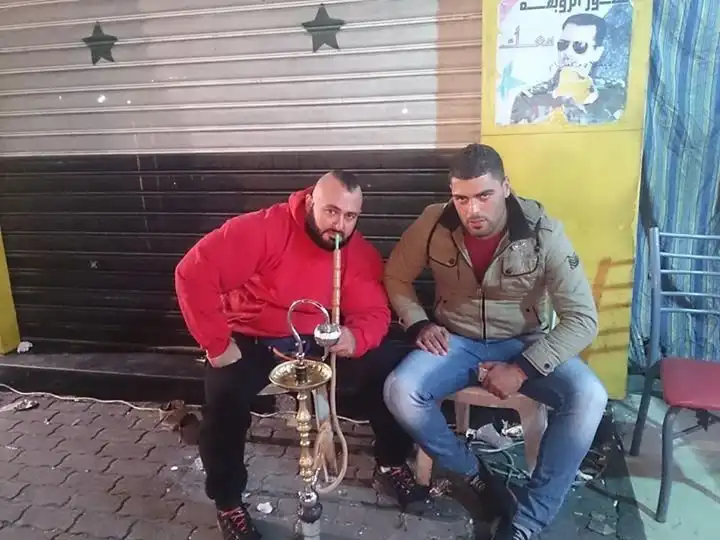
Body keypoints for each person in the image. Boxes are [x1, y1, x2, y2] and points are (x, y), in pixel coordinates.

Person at [175, 171, 426, 539]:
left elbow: (373, 312)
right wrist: (217, 344)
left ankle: (390, 463)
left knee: (388, 367)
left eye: (350, 216)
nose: (339, 225)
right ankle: (228, 502)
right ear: (310, 202)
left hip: (318, 341)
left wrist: (355, 338)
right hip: (255, 338)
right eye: (331, 211)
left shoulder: (356, 251)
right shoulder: (264, 229)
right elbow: (193, 273)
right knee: (224, 399)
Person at [382, 144, 608, 540]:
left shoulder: (543, 231)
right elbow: (396, 276)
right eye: (461, 198)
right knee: (400, 390)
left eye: (484, 195)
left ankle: (527, 521)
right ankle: (475, 475)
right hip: (456, 341)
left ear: (506, 187)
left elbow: (583, 319)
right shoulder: (434, 222)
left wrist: (521, 369)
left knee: (590, 396)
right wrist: (418, 322)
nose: (473, 210)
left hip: (524, 344)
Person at [510, 12, 626, 125]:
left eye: (579, 46)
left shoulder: (616, 94)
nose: (567, 52)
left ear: (597, 53)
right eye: (563, 45)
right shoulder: (527, 99)